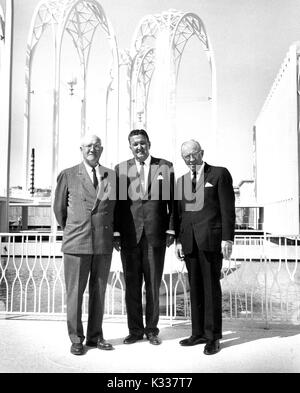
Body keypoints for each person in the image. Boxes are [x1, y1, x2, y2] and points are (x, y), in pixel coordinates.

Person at [53, 134, 116, 355]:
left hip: (102, 243)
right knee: (75, 293)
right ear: (81, 148)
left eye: (97, 146)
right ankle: (76, 338)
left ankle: (95, 336)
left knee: (99, 293)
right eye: (89, 145)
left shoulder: (112, 176)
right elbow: (59, 210)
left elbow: (114, 211)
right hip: (77, 243)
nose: (93, 149)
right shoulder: (68, 175)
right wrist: (74, 229)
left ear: (102, 149)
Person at [114, 129, 175, 345]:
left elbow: (173, 202)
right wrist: (116, 232)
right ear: (130, 147)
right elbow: (118, 205)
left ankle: (151, 330)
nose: (139, 147)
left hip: (155, 236)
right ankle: (135, 330)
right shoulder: (121, 169)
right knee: (131, 285)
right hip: (130, 237)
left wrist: (171, 229)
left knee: (152, 284)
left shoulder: (165, 167)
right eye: (135, 144)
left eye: (142, 143)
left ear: (149, 143)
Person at [175, 139, 235, 355]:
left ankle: (213, 337)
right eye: (186, 157)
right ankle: (198, 333)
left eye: (194, 155)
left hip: (211, 240)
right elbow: (179, 214)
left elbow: (228, 209)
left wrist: (227, 239)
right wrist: (178, 241)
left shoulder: (219, 174)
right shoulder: (181, 181)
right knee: (195, 289)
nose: (190, 160)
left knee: (211, 289)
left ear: (201, 153)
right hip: (189, 242)